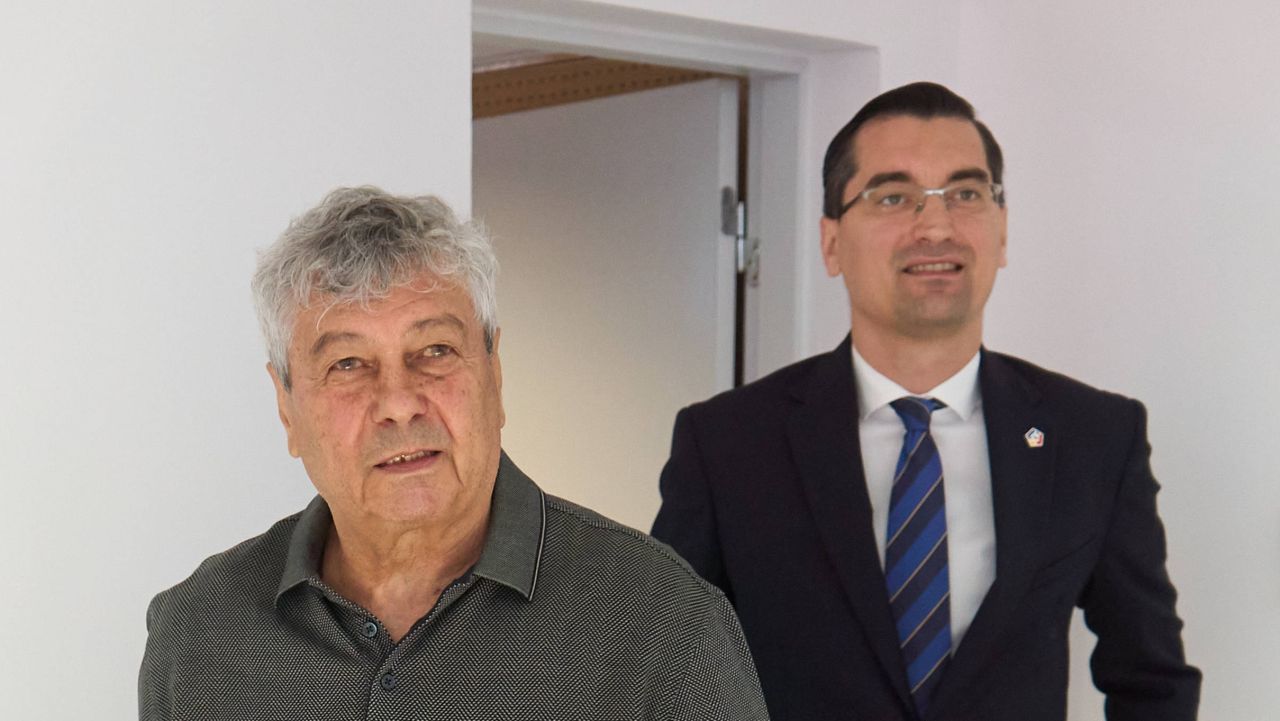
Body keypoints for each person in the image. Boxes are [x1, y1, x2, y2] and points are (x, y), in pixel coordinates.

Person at [651, 82, 1200, 721]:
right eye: (893, 197)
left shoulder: (1094, 437)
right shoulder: (729, 444)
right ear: (832, 243)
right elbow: (661, 672)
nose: (936, 226)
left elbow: (1151, 680)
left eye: (966, 194)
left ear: (1001, 231)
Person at [139, 187, 769, 721]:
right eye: (348, 364)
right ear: (286, 407)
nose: (399, 403)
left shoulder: (665, 626)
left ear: (495, 373)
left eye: (435, 351)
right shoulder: (194, 633)